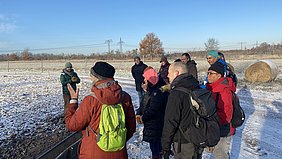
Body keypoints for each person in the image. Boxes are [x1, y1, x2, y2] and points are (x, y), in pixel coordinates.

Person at [65, 61, 136, 159]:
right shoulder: (125, 98)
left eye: (91, 75)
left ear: (96, 77)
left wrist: (73, 102)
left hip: (92, 153)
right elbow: (131, 128)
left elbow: (72, 125)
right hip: (119, 153)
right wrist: (115, 141)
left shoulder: (90, 100)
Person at [161, 62, 202, 159]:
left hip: (183, 142)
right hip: (197, 137)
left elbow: (170, 121)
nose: (167, 75)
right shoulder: (196, 86)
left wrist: (165, 146)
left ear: (176, 73)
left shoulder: (176, 94)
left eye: (169, 73)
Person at [136, 67, 169, 159]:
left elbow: (153, 109)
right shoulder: (150, 90)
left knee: (156, 147)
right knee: (154, 146)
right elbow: (143, 104)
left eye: (145, 78)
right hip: (151, 124)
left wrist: (143, 118)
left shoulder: (158, 91)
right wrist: (139, 113)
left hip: (156, 123)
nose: (144, 80)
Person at [206, 62, 236, 159]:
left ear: (219, 75)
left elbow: (226, 114)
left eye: (211, 73)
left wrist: (213, 125)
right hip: (214, 126)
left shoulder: (224, 90)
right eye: (208, 73)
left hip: (222, 128)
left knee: (220, 155)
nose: (208, 76)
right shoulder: (211, 87)